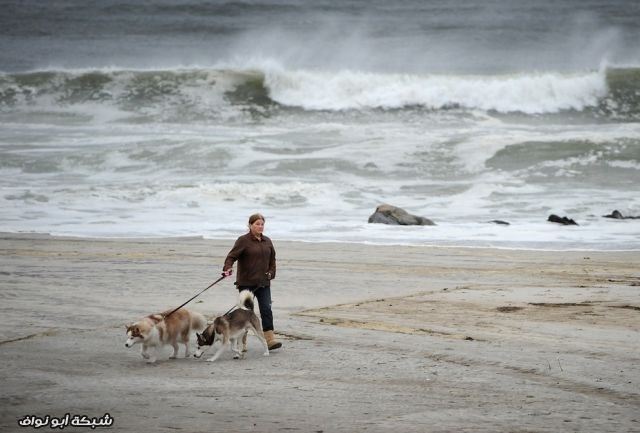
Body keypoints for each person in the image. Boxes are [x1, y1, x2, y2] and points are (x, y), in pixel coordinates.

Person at [222, 213, 282, 350]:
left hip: (263, 283)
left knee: (266, 309)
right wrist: (227, 268)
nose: (260, 227)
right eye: (257, 224)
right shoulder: (243, 240)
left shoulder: (267, 241)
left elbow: (272, 261)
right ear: (250, 225)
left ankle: (270, 339)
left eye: (262, 224)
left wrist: (271, 273)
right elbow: (231, 257)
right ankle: (241, 342)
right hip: (246, 284)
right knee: (246, 313)